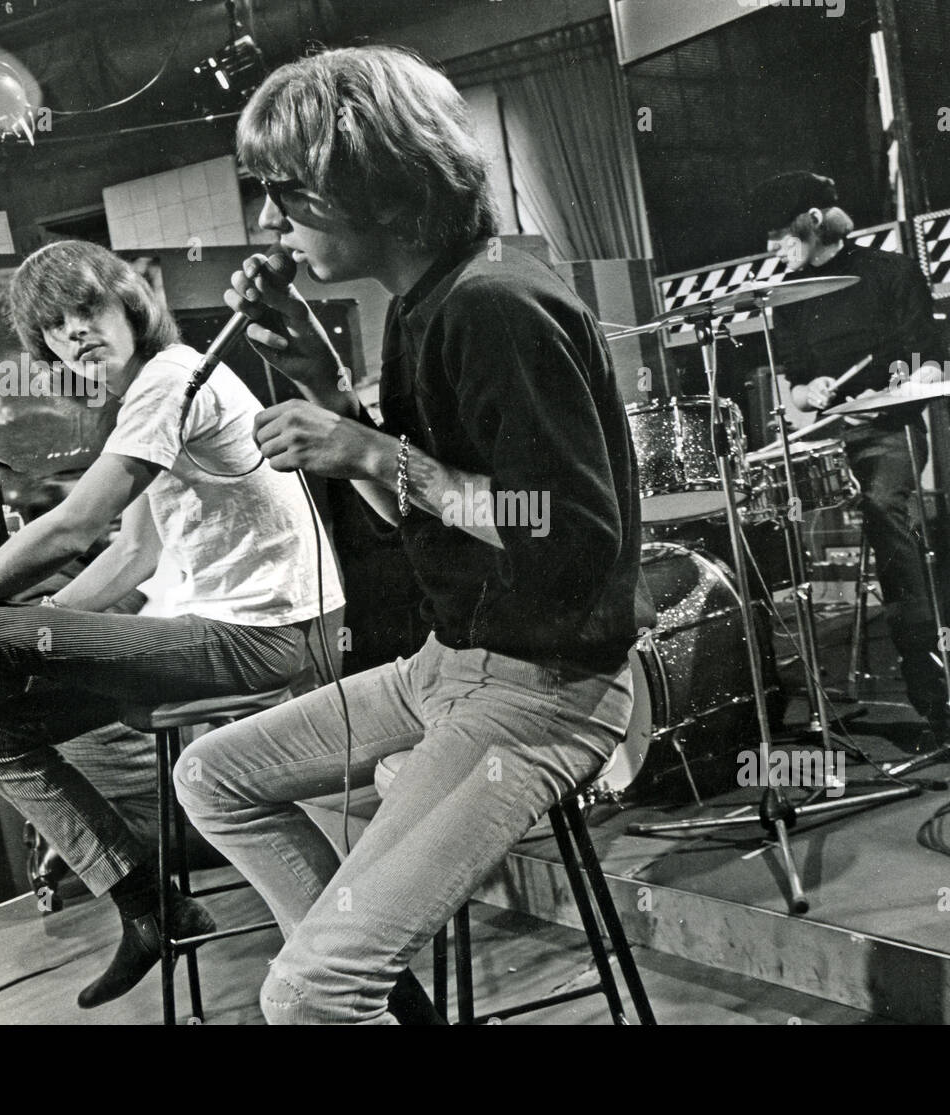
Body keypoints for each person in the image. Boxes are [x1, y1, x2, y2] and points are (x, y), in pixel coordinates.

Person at [173, 44, 654, 1024]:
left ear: (378, 185)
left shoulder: (494, 304)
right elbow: (426, 511)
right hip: (452, 663)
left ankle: (344, 989)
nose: (268, 225)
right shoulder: (422, 305)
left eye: (286, 196)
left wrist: (369, 452)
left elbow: (566, 535)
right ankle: (385, 1000)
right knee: (210, 773)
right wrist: (317, 379)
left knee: (303, 993)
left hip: (546, 696)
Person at [0, 240, 343, 1009]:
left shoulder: (168, 375)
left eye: (86, 308)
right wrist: (42, 626)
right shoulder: (148, 394)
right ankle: (146, 904)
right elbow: (132, 550)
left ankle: (163, 902)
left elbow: (73, 526)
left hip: (270, 636)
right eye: (54, 328)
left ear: (128, 303)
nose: (75, 333)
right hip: (230, 628)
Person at [748, 171, 950, 738]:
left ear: (813, 221)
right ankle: (781, 695)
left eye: (780, 235)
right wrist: (806, 394)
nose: (774, 249)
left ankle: (927, 680)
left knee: (885, 508)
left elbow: (931, 363)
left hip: (887, 433)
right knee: (761, 516)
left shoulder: (889, 273)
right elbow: (794, 388)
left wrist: (892, 389)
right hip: (828, 438)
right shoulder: (787, 299)